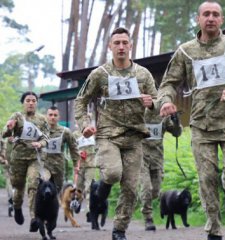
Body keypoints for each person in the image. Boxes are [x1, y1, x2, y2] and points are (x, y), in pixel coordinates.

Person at [156, 1, 225, 240]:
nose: (211, 18)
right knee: (206, 179)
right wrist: (166, 102)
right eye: (206, 14)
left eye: (215, 15)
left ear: (221, 20)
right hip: (201, 125)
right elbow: (168, 84)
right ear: (199, 19)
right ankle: (213, 229)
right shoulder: (185, 51)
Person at [74, 27, 157, 240]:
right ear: (110, 46)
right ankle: (102, 187)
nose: (121, 46)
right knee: (112, 173)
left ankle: (119, 229)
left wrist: (152, 103)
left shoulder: (143, 74)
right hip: (108, 135)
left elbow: (157, 101)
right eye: (117, 43)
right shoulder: (100, 74)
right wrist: (85, 125)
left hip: (134, 136)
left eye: (124, 43)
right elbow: (81, 101)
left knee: (130, 188)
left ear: (130, 46)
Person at [2, 91, 49, 232]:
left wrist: (40, 144)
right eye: (28, 100)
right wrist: (10, 128)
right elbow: (4, 133)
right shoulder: (17, 117)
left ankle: (34, 218)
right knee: (19, 187)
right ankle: (17, 206)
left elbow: (46, 138)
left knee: (33, 185)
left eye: (33, 100)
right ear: (23, 102)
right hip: (18, 159)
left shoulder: (42, 120)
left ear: (36, 103)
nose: (31, 102)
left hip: (35, 158)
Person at [140, 109, 182, 231]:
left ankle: (140, 198)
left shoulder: (162, 114)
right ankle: (148, 218)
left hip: (157, 158)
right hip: (140, 157)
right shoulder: (138, 111)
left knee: (155, 192)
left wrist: (176, 120)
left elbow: (177, 133)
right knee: (146, 188)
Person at [42, 106, 80, 193]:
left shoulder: (65, 131)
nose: (52, 117)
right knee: (45, 185)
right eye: (50, 115)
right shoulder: (40, 130)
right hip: (44, 166)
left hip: (58, 167)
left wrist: (76, 164)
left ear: (59, 117)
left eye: (55, 115)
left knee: (56, 191)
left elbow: (73, 148)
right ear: (46, 116)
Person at [73, 120, 97, 222]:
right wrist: (78, 153)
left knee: (89, 188)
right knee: (79, 189)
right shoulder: (74, 135)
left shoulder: (94, 133)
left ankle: (89, 211)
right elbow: (71, 149)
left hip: (91, 165)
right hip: (79, 166)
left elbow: (98, 147)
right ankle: (78, 201)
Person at [0, 133, 13, 217]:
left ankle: (12, 201)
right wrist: (3, 160)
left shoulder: (19, 143)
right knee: (9, 183)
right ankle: (11, 200)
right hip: (8, 168)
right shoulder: (4, 143)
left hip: (18, 168)